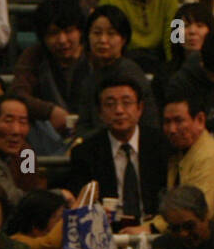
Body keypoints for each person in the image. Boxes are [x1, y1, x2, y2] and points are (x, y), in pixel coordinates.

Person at [67, 76, 167, 225]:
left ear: (140, 108)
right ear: (100, 112)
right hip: (106, 232)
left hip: (152, 228)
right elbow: (81, 204)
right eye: (110, 104)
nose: (119, 110)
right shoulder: (85, 153)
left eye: (126, 103)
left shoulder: (160, 144)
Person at [12, 0, 88, 144]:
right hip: (47, 137)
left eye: (68, 31)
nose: (62, 40)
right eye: (53, 33)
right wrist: (49, 111)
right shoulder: (34, 56)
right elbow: (17, 93)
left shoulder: (93, 56)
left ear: (80, 31)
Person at [74, 5, 159, 134]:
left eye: (111, 34)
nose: (103, 40)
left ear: (123, 39)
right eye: (97, 33)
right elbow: (83, 125)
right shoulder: (86, 73)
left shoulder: (130, 73)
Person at [100, 0, 179, 68]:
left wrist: (173, 67)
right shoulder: (109, 0)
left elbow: (175, 36)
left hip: (162, 62)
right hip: (123, 64)